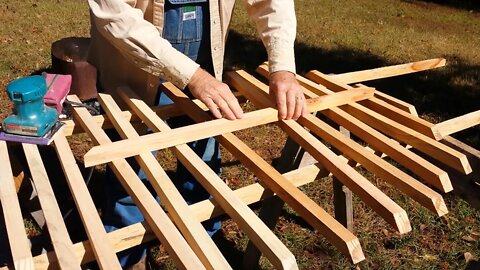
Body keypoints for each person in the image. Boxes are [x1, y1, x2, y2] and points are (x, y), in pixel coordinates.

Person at [87, 0, 307, 268]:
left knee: (202, 171)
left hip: (205, 69)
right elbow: (115, 16)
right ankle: (129, 255)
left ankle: (204, 250)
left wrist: (282, 67)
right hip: (134, 68)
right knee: (132, 175)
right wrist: (192, 76)